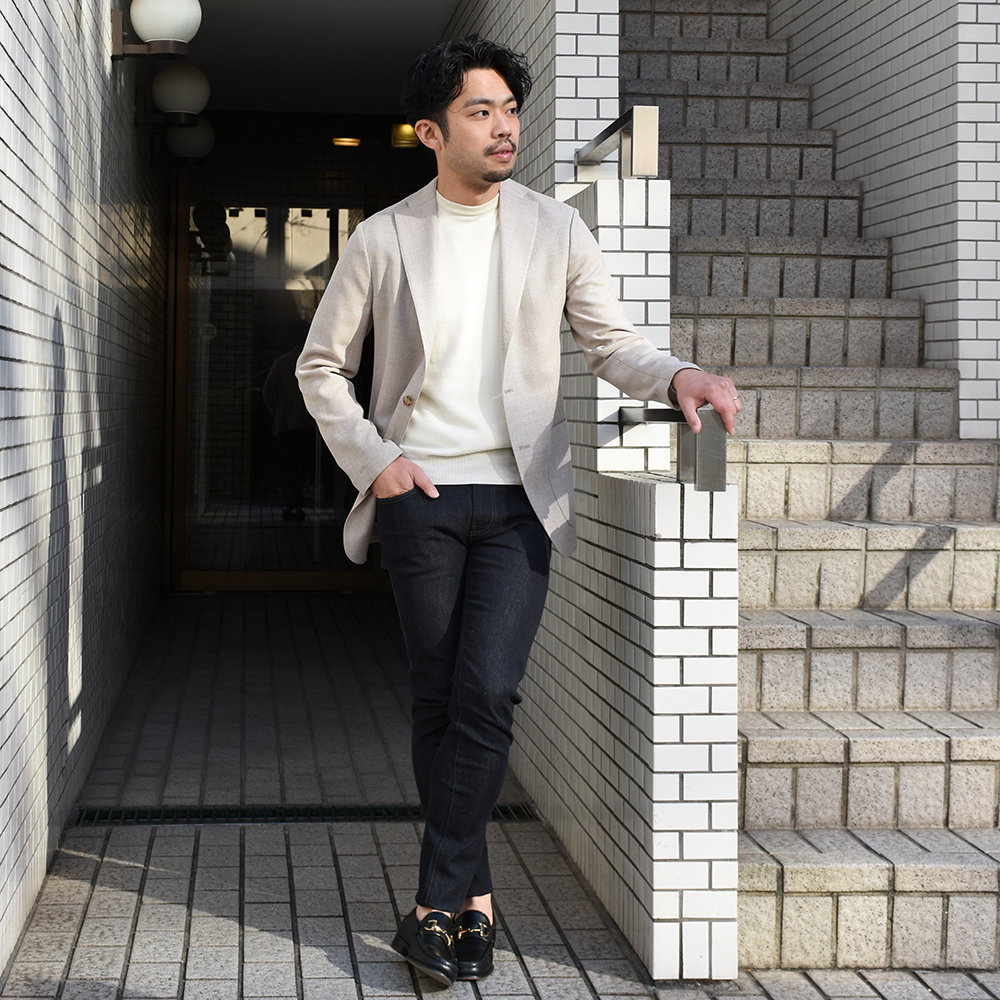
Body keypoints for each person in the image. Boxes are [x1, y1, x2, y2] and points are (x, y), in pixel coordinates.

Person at [296, 35, 740, 988]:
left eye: (509, 110)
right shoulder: (384, 238)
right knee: (439, 696)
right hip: (420, 497)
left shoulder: (554, 227)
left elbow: (612, 345)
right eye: (480, 112)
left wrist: (681, 375)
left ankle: (433, 904)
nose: (504, 128)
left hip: (518, 503)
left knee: (487, 694)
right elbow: (320, 368)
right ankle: (477, 903)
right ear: (431, 132)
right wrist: (378, 463)